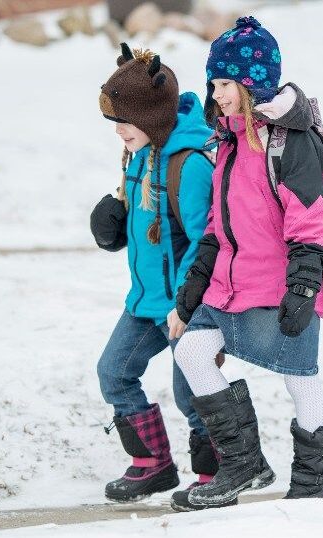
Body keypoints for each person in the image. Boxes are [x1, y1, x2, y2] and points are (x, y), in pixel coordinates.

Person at [169, 17, 323, 510]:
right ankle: (244, 464)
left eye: (225, 83)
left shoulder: (292, 141)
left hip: (281, 285)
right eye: (214, 83)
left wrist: (305, 286)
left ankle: (310, 485)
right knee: (191, 353)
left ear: (251, 84)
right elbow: (214, 227)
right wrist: (193, 287)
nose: (217, 93)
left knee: (301, 379)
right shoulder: (225, 140)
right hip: (227, 285)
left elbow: (311, 222)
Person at [92, 45, 217, 503]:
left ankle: (214, 474)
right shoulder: (140, 155)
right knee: (114, 373)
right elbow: (150, 223)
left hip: (187, 305)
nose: (119, 131)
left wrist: (185, 302)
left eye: (125, 119)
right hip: (145, 302)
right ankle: (153, 464)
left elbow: (206, 241)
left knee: (195, 394)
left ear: (152, 115)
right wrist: (113, 227)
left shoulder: (191, 164)